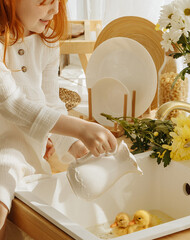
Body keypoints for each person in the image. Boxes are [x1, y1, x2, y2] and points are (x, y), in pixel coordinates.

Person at [0, 0, 118, 238]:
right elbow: (12, 104)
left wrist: (74, 144)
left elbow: (50, 103)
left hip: (27, 150)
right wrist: (79, 128)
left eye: (59, 2)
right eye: (46, 1)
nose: (54, 10)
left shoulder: (47, 41)